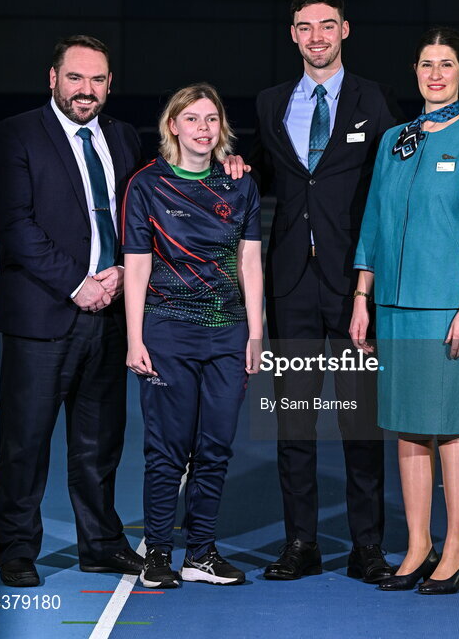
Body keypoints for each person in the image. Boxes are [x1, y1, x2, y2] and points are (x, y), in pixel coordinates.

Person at [249, 0, 403, 583]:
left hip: (352, 288)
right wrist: (241, 165)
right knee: (294, 423)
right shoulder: (268, 103)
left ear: (346, 31)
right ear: (293, 34)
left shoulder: (377, 100)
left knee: (359, 422)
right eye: (306, 27)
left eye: (327, 26)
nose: (317, 37)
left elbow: (393, 189)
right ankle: (300, 544)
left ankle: (367, 547)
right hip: (290, 286)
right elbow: (263, 168)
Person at [0, 35, 144, 587]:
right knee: (24, 442)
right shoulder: (16, 135)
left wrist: (125, 272)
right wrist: (78, 284)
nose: (86, 89)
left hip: (110, 314)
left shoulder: (122, 137)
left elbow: (136, 215)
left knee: (99, 444)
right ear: (52, 79)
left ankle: (100, 544)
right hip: (44, 315)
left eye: (97, 80)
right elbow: (15, 226)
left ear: (109, 86)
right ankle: (17, 550)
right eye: (75, 77)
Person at [351, 27, 459, 594]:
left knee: (454, 427)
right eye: (425, 63)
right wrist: (362, 297)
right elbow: (372, 222)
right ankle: (418, 545)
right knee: (409, 429)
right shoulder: (395, 138)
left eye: (445, 63)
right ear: (414, 71)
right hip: (393, 306)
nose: (434, 73)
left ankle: (458, 547)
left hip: (448, 308)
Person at [123, 84, 263, 589]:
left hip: (228, 336)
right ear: (173, 126)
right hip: (167, 334)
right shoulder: (147, 186)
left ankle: (200, 553)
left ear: (221, 128)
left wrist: (255, 333)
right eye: (192, 118)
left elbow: (250, 262)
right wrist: (134, 339)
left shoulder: (240, 185)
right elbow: (135, 268)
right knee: (167, 449)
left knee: (216, 448)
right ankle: (158, 553)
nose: (203, 128)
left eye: (211, 119)